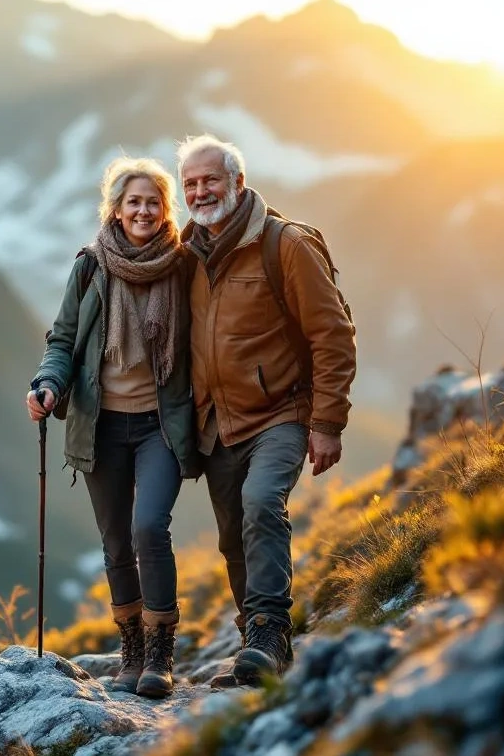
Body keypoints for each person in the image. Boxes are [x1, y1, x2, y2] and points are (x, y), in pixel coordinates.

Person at [176, 134, 357, 687]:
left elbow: (333, 335)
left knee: (260, 503)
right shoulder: (186, 255)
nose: (200, 192)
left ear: (238, 182)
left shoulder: (286, 245)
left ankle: (269, 635)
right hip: (216, 424)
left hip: (282, 411)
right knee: (233, 537)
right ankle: (256, 645)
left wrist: (327, 423)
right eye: (190, 184)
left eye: (210, 179)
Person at [26, 156, 200, 699]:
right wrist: (47, 383)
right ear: (117, 210)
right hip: (100, 425)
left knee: (150, 527)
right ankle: (132, 650)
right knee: (116, 541)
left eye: (153, 202)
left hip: (160, 426)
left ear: (165, 210)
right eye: (134, 202)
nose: (144, 211)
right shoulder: (90, 267)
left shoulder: (183, 265)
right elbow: (62, 340)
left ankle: (160, 652)